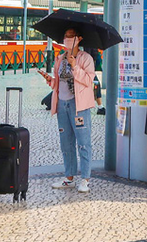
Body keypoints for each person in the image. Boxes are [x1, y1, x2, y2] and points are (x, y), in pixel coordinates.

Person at [39, 27, 96, 194]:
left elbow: (88, 80)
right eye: (65, 36)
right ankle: (69, 177)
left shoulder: (86, 58)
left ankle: (85, 178)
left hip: (79, 106)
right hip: (62, 104)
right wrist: (50, 80)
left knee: (83, 142)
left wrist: (74, 65)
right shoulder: (61, 58)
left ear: (79, 38)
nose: (67, 39)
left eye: (71, 36)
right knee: (66, 142)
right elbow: (59, 82)